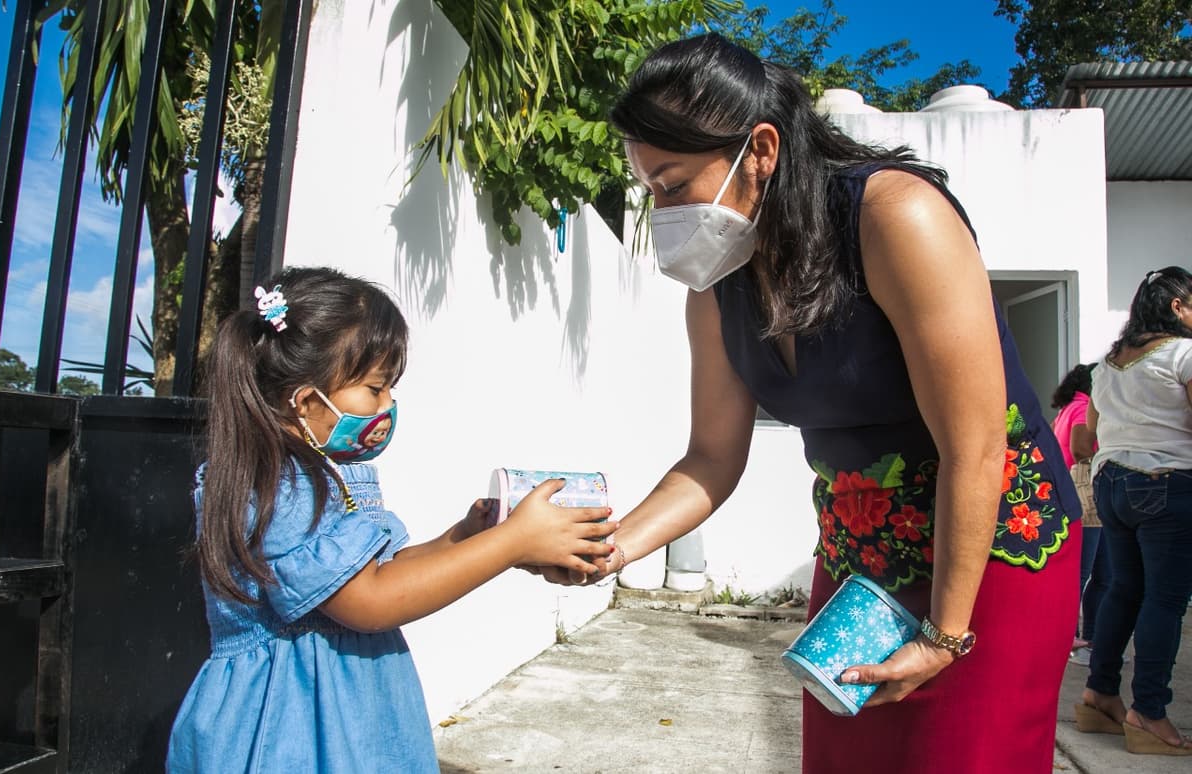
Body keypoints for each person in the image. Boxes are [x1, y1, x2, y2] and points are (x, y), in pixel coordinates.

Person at [539, 34, 1082, 773]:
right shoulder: (718, 287)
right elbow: (710, 458)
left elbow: (976, 446)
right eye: (648, 190)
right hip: (860, 557)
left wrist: (946, 634)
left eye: (672, 184)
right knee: (845, 758)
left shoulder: (896, 218)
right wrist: (613, 548)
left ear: (759, 150)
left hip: (988, 552)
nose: (660, 210)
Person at [166, 267, 616, 772]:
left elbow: (381, 570)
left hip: (345, 711)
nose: (388, 405)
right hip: (289, 724)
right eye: (375, 389)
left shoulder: (318, 473)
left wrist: (464, 537)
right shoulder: (274, 484)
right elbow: (371, 601)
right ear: (307, 399)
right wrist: (511, 543)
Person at [1077, 266, 1192, 755]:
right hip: (1168, 483)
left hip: (1111, 484)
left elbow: (1085, 438)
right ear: (1176, 307)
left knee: (1123, 591)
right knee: (1164, 600)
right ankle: (1147, 712)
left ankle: (1099, 697)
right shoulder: (1185, 354)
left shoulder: (1107, 366)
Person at [1051, 363, 1107, 666]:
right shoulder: (1083, 407)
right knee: (1087, 574)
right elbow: (1080, 447)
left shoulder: (1066, 407)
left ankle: (1083, 640)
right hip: (1085, 493)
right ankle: (1075, 641)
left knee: (1092, 573)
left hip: (1069, 492)